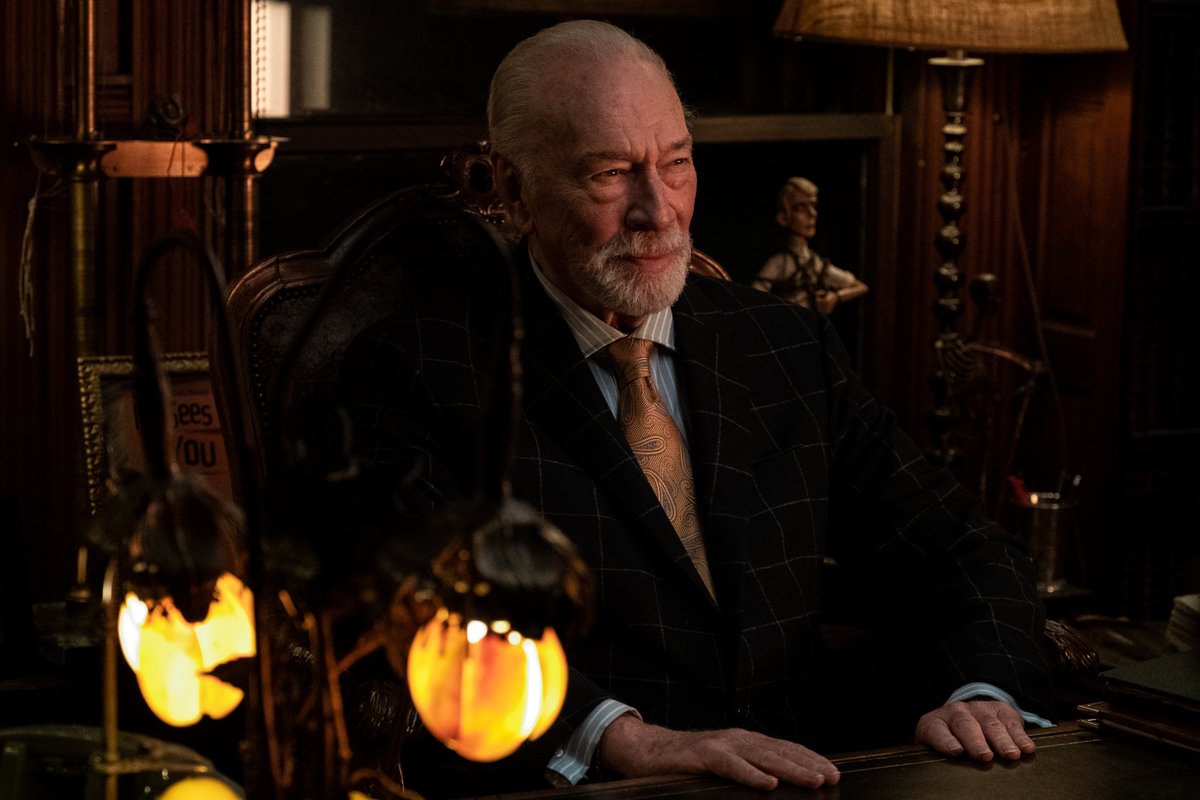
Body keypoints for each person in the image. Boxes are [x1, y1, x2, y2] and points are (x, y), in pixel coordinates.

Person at [339, 19, 1053, 798]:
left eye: (676, 163)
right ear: (515, 190)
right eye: (611, 173)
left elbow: (963, 549)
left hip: (811, 779)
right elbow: (420, 621)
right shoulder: (422, 368)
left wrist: (981, 693)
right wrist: (624, 739)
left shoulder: (786, 344)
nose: (659, 210)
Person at [753, 177, 869, 313]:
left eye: (813, 206)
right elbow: (753, 300)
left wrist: (835, 297)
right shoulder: (779, 263)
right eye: (801, 208)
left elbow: (861, 287)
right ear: (784, 218)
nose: (812, 214)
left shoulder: (815, 264)